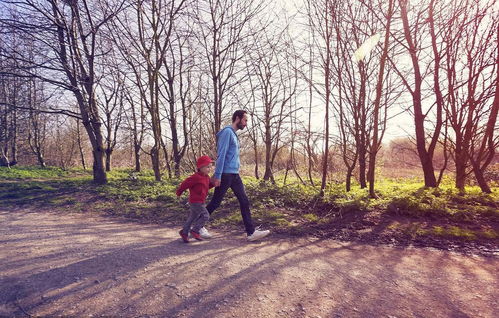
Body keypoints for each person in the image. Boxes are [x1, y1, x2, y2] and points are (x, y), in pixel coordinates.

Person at [199, 110, 270, 242]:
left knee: (244, 201)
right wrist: (218, 175)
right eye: (245, 120)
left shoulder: (233, 135)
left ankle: (251, 232)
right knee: (216, 202)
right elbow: (221, 154)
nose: (246, 124)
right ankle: (198, 225)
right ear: (237, 118)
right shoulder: (227, 133)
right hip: (225, 174)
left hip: (234, 174)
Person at [176, 155, 215, 243]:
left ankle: (184, 233)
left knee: (192, 217)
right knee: (205, 216)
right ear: (200, 167)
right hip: (195, 202)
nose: (209, 169)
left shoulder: (206, 177)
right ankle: (195, 230)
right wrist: (179, 192)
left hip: (201, 202)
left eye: (210, 167)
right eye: (207, 167)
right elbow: (185, 184)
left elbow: (206, 187)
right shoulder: (195, 177)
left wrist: (213, 184)